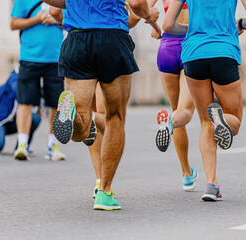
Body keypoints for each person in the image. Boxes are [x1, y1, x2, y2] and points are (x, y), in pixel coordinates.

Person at [42, 0, 159, 210]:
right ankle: (104, 192)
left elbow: (52, 7)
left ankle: (71, 112)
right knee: (115, 117)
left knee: (81, 130)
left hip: (77, 39)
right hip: (113, 39)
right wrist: (149, 15)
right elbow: (137, 3)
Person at [163, 0, 246, 201]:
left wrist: (193, 29)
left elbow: (167, 26)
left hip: (193, 54)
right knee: (234, 120)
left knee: (206, 122)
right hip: (224, 51)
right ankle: (222, 119)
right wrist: (241, 24)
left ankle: (211, 184)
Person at [150, 0, 198, 191]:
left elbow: (142, 8)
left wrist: (155, 26)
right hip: (192, 44)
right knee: (183, 112)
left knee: (176, 110)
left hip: (167, 46)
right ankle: (169, 122)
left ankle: (187, 174)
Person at [10, 0, 66, 161]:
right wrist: (37, 19)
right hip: (29, 57)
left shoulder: (61, 1)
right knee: (25, 101)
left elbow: (72, 22)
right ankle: (22, 144)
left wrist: (56, 19)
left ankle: (53, 145)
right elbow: (13, 23)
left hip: (55, 58)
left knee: (57, 103)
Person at [0, 71, 41, 154]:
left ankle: (22, 146)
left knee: (35, 118)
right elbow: (19, 93)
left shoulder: (35, 79)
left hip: (11, 120)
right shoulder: (15, 76)